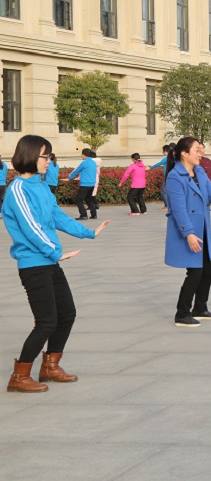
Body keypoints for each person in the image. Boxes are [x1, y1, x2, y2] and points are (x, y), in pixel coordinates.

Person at [3, 134, 110, 393]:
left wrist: (88, 233)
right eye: (45, 156)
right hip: (33, 264)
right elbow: (30, 227)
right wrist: (53, 251)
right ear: (29, 155)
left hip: (49, 261)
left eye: (49, 156)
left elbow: (57, 217)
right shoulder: (18, 190)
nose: (49, 162)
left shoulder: (41, 187)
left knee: (67, 313)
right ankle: (19, 376)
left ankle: (50, 366)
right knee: (46, 322)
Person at [164, 136, 211, 327]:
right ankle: (182, 313)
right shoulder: (175, 177)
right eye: (197, 150)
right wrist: (189, 233)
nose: (201, 153)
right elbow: (178, 209)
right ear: (184, 153)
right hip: (188, 230)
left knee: (208, 268)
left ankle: (200, 308)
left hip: (203, 227)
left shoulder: (199, 171)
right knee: (195, 271)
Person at [67, 148, 98, 220]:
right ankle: (94, 214)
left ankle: (83, 215)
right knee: (88, 199)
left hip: (85, 184)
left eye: (82, 154)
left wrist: (69, 178)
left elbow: (76, 171)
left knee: (78, 199)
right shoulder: (93, 162)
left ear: (84, 155)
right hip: (92, 184)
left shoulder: (84, 162)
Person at [150, 144, 172, 211]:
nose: (163, 153)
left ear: (165, 151)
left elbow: (158, 164)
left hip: (167, 177)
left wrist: (150, 167)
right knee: (169, 191)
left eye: (163, 151)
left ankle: (167, 206)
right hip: (172, 176)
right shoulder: (173, 157)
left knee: (163, 191)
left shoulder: (166, 158)